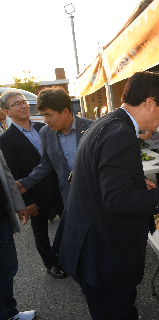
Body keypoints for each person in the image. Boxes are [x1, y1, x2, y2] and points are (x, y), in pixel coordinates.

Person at [58, 72, 159, 320]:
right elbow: (117, 200)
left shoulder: (108, 122)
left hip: (91, 246)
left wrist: (135, 182)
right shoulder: (121, 133)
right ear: (150, 102)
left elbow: (97, 174)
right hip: (102, 256)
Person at [0, 90, 66, 278]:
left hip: (59, 187)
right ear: (6, 111)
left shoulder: (43, 128)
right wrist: (26, 202)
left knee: (70, 224)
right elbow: (13, 172)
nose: (23, 105)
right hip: (34, 193)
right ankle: (50, 263)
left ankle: (69, 256)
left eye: (24, 101)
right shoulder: (6, 140)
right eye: (16, 104)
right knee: (41, 232)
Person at [16, 87, 94, 207]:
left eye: (49, 115)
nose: (46, 120)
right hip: (70, 198)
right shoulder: (45, 133)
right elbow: (46, 165)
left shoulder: (92, 128)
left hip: (96, 194)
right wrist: (25, 183)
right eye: (43, 115)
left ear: (65, 111)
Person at [0, 149, 36, 320]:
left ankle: (8, 313)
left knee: (7, 267)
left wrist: (19, 204)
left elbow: (5, 175)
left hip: (1, 219)